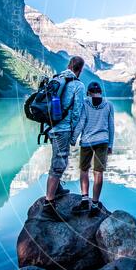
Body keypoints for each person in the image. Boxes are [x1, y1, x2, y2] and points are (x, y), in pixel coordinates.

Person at [42, 56, 86, 221]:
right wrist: (74, 136)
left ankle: (58, 188)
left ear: (68, 65)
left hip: (51, 127)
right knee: (59, 164)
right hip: (63, 129)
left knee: (56, 160)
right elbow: (76, 112)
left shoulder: (57, 79)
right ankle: (49, 204)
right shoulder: (78, 85)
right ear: (80, 70)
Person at [72, 81, 114, 217]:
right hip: (103, 141)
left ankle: (84, 200)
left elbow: (81, 122)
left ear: (88, 92)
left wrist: (73, 138)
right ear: (100, 92)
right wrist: (110, 145)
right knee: (98, 172)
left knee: (84, 170)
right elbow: (111, 126)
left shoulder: (85, 103)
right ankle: (95, 204)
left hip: (87, 142)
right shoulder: (109, 105)